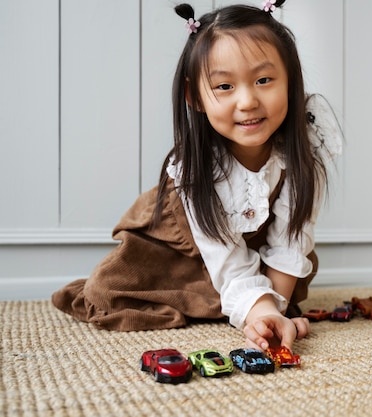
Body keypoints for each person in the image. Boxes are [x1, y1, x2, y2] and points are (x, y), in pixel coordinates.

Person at [51, 1, 341, 352]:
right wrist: (257, 307)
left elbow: (291, 239)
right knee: (105, 290)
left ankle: (246, 300)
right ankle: (232, 298)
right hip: (180, 249)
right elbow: (225, 258)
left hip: (252, 252)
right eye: (224, 87)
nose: (248, 101)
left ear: (291, 81)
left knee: (280, 289)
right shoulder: (195, 168)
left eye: (264, 80)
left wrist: (271, 311)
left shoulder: (307, 146)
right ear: (195, 97)